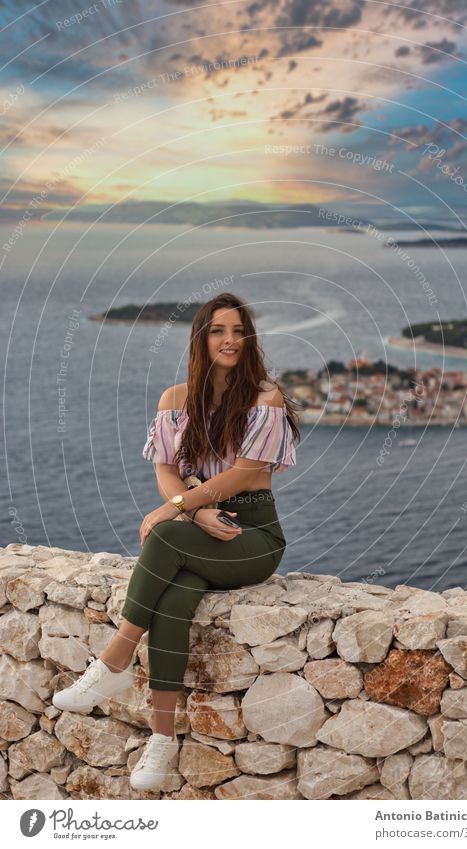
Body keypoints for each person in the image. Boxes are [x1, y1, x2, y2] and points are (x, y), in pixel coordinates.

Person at [52, 292, 300, 792]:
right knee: (174, 599)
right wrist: (193, 509)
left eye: (237, 331)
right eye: (217, 331)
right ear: (201, 339)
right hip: (199, 524)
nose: (229, 340)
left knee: (164, 534)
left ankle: (115, 659)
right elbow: (166, 472)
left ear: (248, 339)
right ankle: (161, 741)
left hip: (251, 534)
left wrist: (178, 509)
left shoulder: (265, 399)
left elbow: (244, 475)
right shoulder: (174, 400)